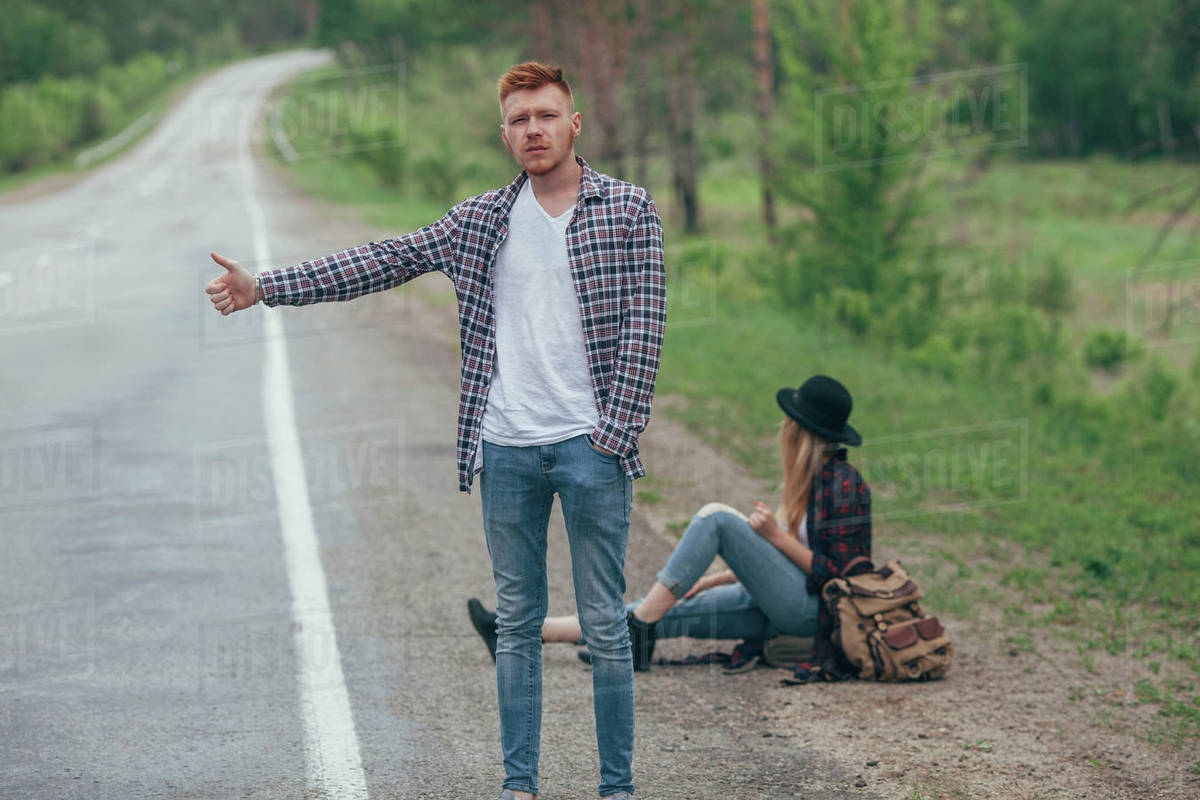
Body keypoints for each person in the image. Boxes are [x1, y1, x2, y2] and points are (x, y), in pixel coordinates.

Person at [204, 63, 664, 800]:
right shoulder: (480, 220)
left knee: (606, 625)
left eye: (547, 116)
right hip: (505, 446)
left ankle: (617, 789)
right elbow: (383, 261)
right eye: (519, 120)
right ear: (504, 132)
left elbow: (647, 328)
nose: (534, 130)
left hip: (590, 447)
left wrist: (615, 434)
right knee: (517, 624)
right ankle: (520, 787)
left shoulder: (629, 210)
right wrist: (267, 287)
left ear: (575, 124)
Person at [469, 374, 871, 675]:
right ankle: (513, 633)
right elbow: (776, 567)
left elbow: (841, 577)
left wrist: (775, 537)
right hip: (778, 601)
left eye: (789, 422)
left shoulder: (844, 485)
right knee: (666, 609)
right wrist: (711, 581)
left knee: (716, 518)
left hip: (809, 613)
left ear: (800, 431)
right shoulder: (813, 479)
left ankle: (640, 630)